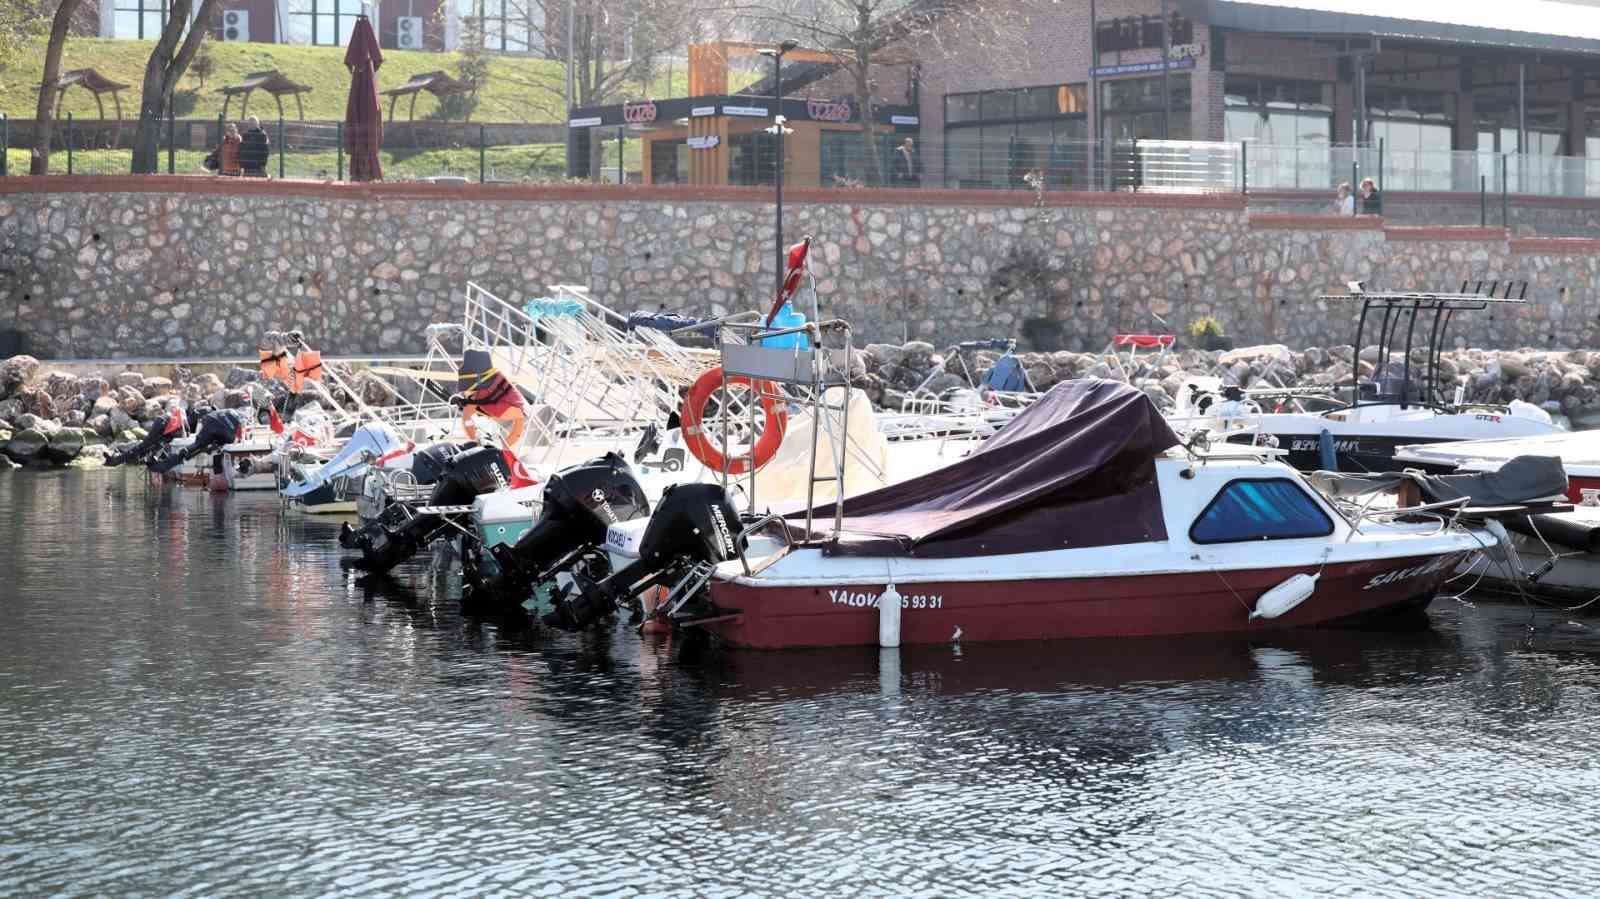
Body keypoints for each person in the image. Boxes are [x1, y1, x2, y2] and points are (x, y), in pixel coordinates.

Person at [451, 349, 527, 449]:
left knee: (467, 413)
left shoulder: (481, 389)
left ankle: (474, 440)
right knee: (468, 411)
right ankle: (475, 439)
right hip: (509, 406)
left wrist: (473, 439)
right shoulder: (491, 380)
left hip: (507, 408)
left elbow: (467, 416)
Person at [148, 407, 249, 474]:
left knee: (196, 447)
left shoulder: (230, 412)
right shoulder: (242, 418)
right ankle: (162, 465)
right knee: (201, 448)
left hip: (210, 421)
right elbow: (239, 435)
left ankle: (162, 463)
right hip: (220, 429)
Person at [104, 402, 189, 467]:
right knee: (145, 446)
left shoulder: (183, 427)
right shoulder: (180, 425)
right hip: (161, 423)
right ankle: (115, 460)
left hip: (167, 426)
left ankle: (120, 458)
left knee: (156, 446)